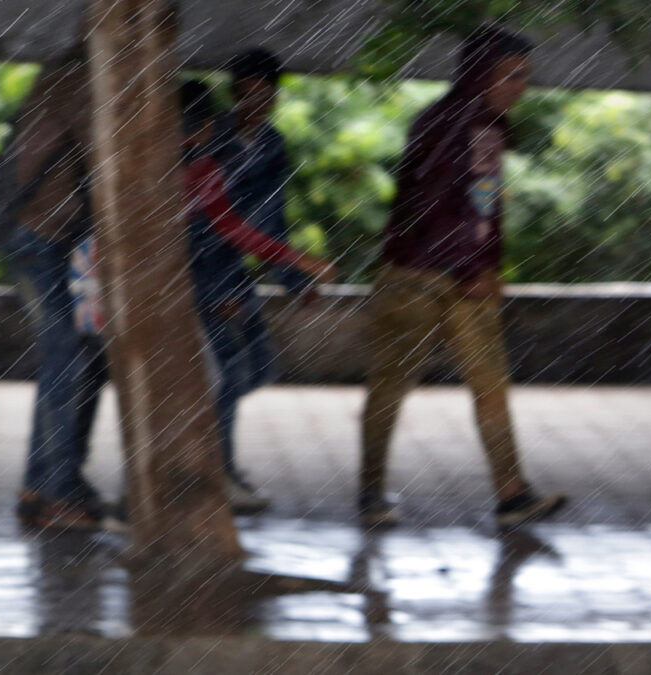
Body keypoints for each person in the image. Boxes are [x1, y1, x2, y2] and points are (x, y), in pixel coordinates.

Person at [359, 26, 566, 529]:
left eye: (524, 77)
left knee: (490, 385)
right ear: (481, 75)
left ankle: (511, 493)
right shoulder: (447, 124)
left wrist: (489, 265)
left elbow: (484, 207)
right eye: (510, 76)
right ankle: (369, 491)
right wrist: (475, 265)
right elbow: (430, 207)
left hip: (463, 282)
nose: (520, 87)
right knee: (392, 384)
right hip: (415, 279)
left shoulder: (487, 126)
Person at [181, 79, 336, 514]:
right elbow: (230, 227)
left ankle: (204, 466)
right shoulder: (195, 164)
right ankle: (215, 471)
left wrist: (292, 270)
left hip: (216, 278)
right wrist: (299, 262)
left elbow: (251, 221)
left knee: (251, 369)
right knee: (225, 378)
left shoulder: (204, 162)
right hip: (201, 284)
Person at [6, 56, 110, 531]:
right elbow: (103, 155)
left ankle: (38, 488)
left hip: (40, 239)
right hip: (40, 239)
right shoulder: (79, 79)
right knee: (64, 365)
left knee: (63, 363)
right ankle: (55, 494)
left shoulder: (62, 74)